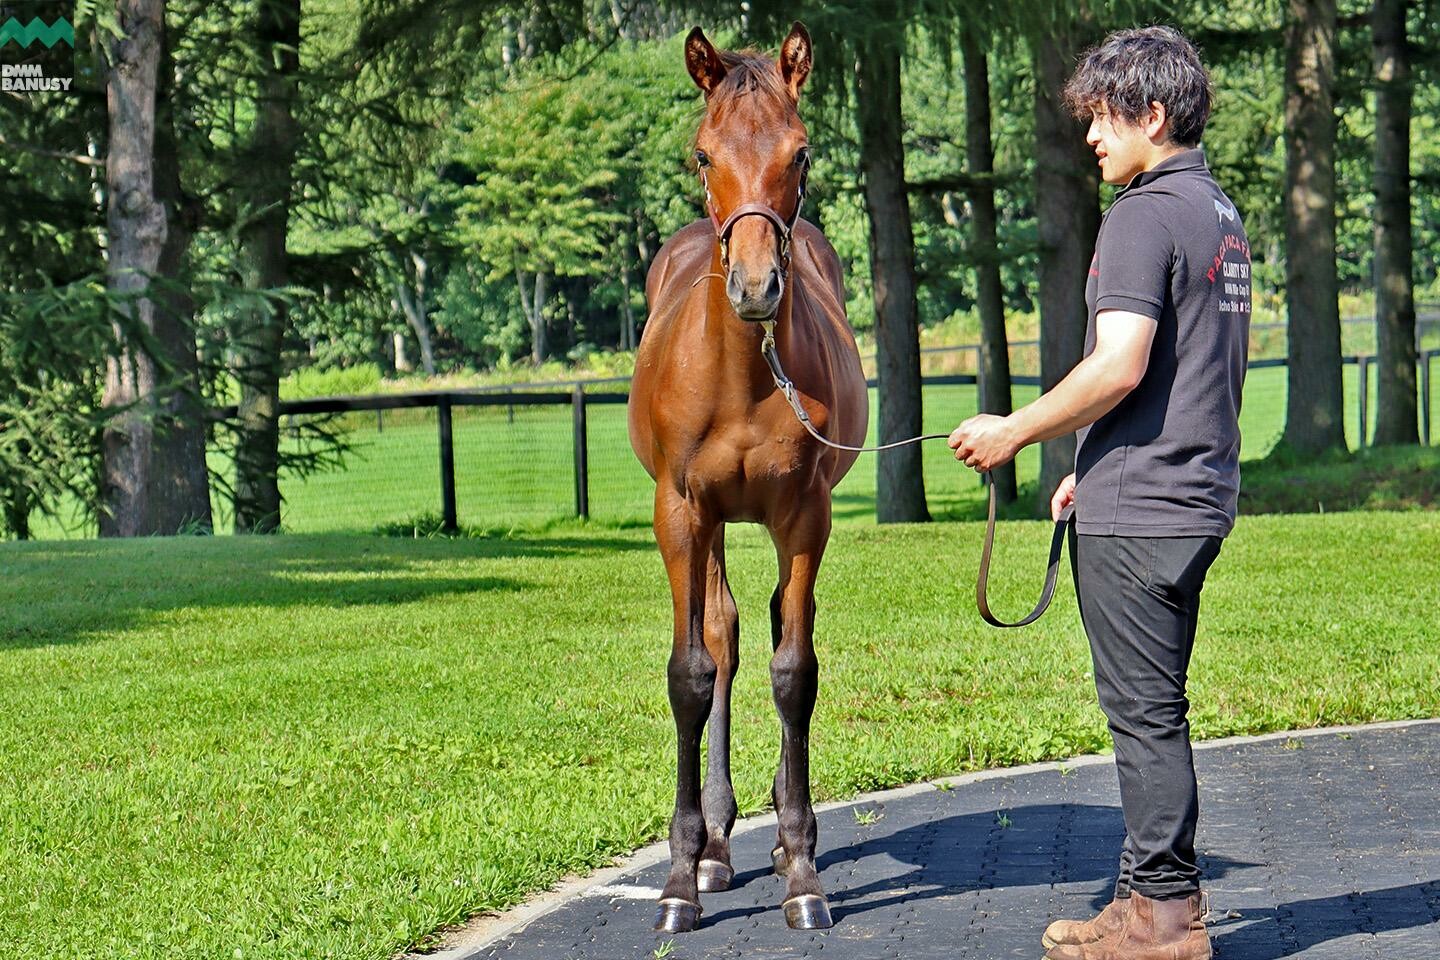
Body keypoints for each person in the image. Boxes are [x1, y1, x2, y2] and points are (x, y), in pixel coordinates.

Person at [946, 25, 1251, 960]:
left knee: (1144, 716)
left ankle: (1163, 919)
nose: (1091, 138)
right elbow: (1187, 370)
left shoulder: (1141, 215)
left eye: (1104, 118)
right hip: (1190, 494)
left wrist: (1015, 432)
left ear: (1153, 113)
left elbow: (1118, 365)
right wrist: (1093, 462)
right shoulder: (1218, 212)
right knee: (1156, 704)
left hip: (1144, 512)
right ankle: (1139, 902)